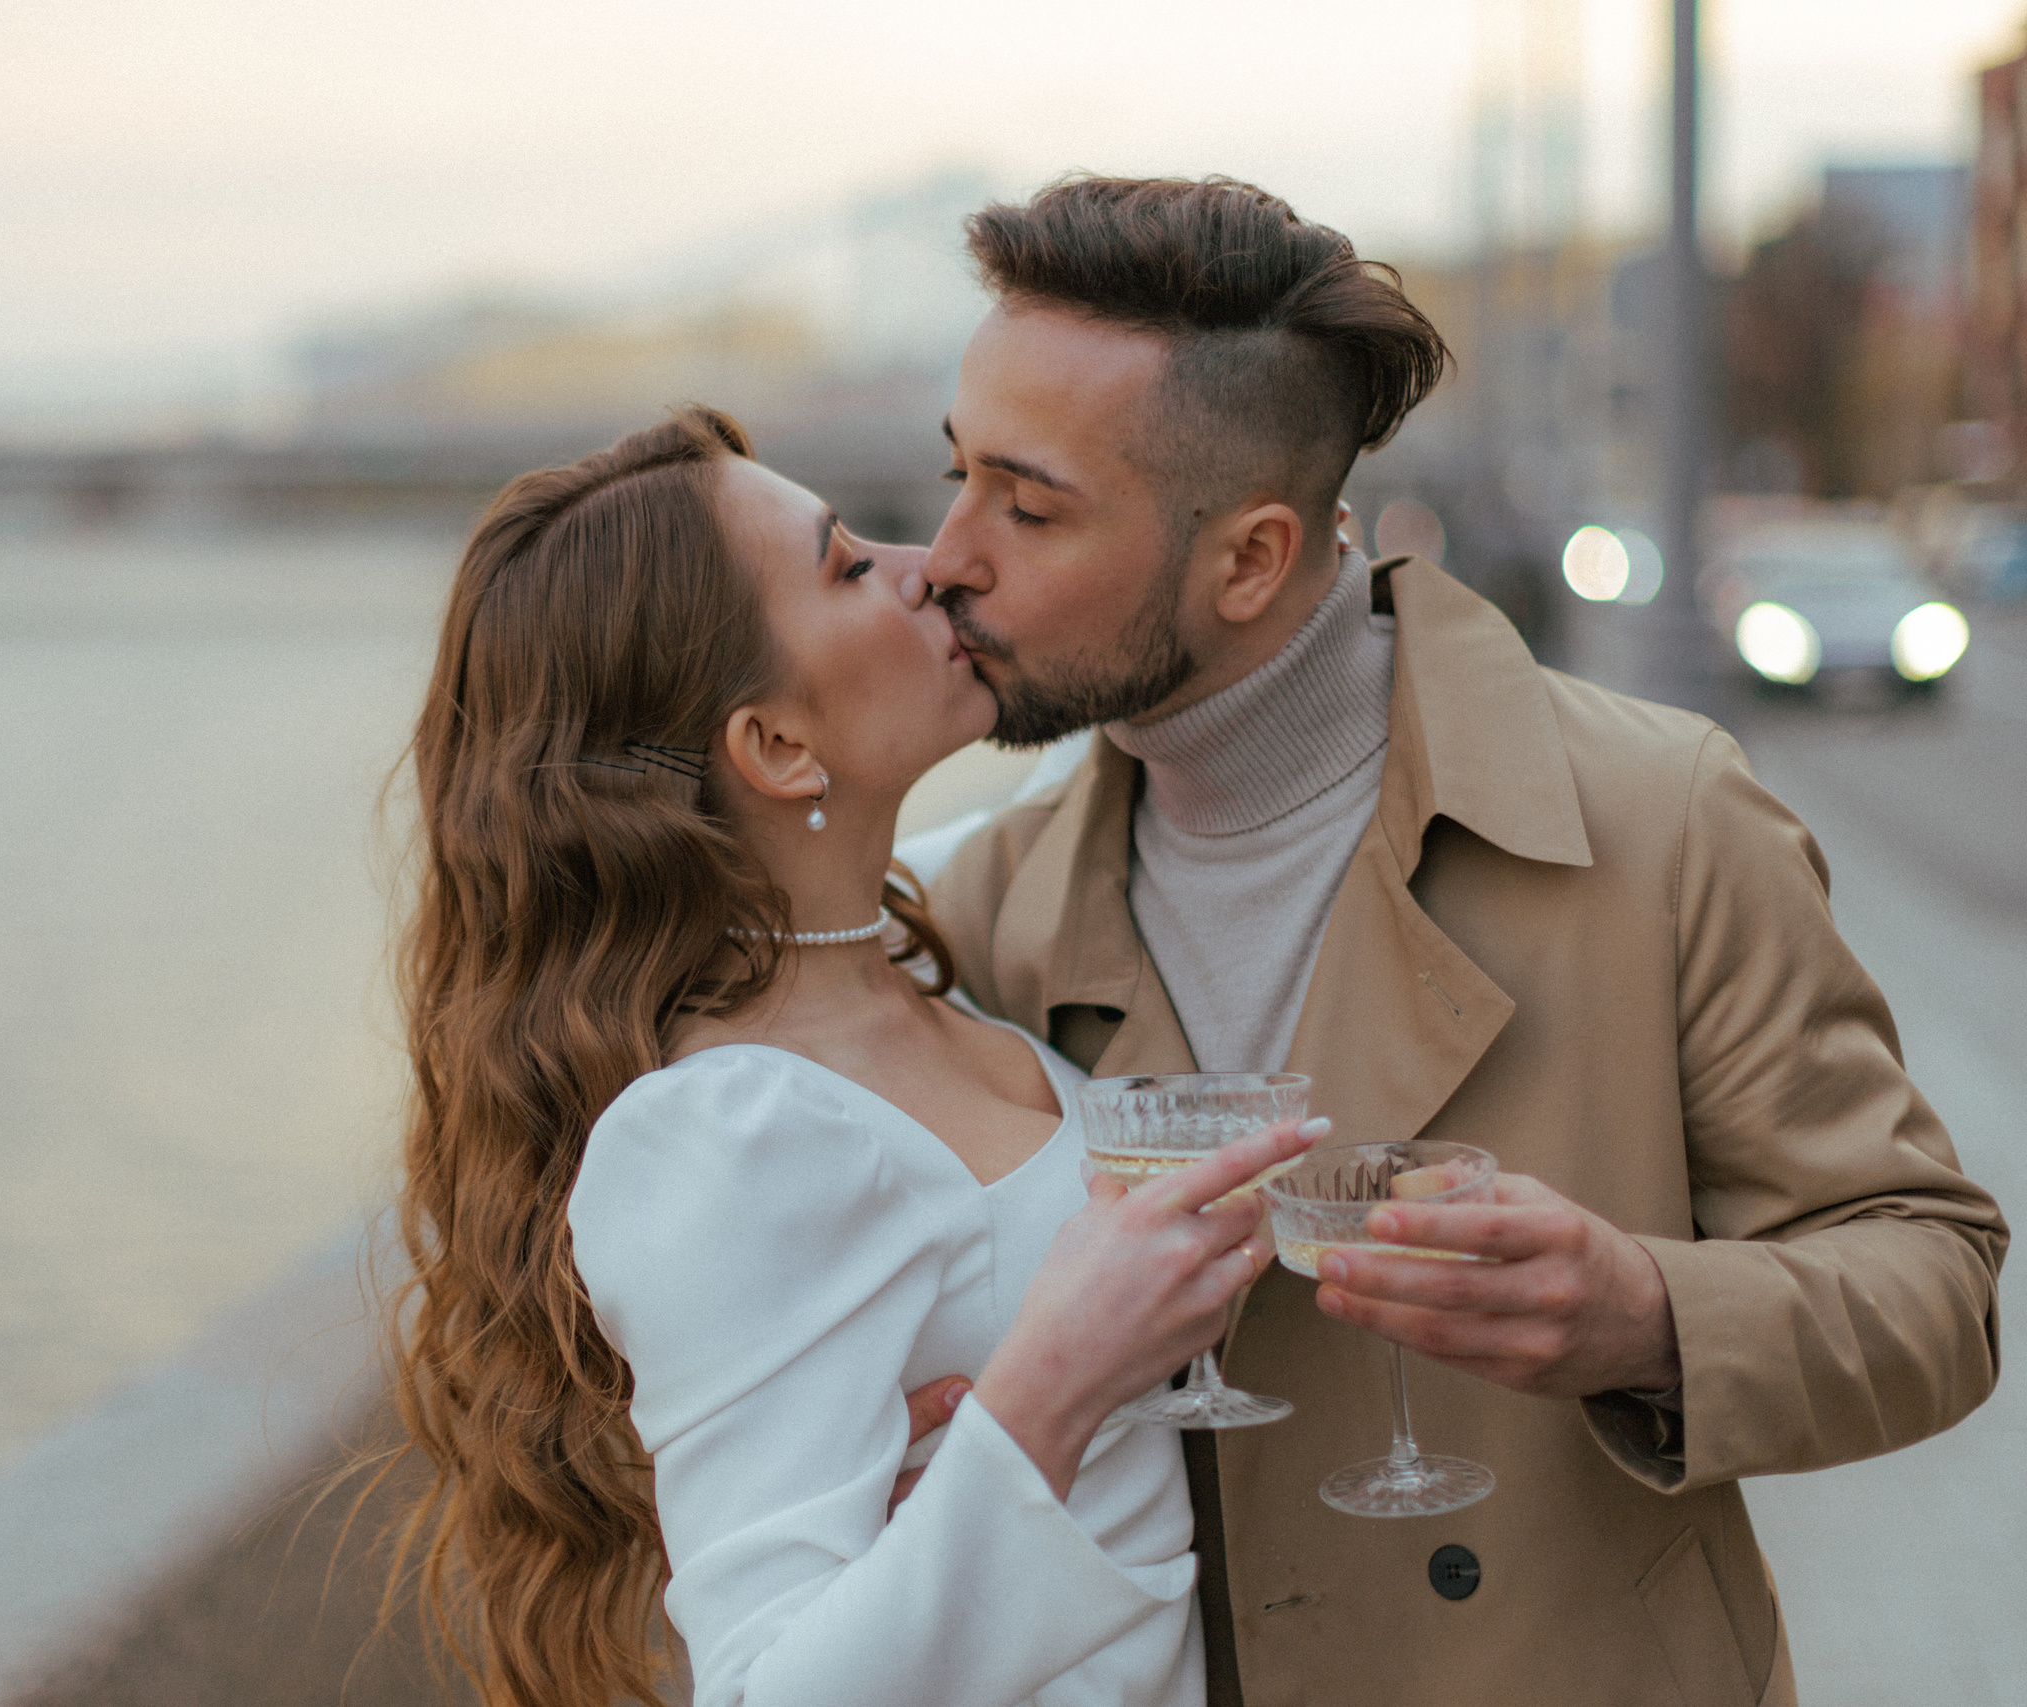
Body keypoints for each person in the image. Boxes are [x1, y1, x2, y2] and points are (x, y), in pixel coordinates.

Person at [916, 175, 2008, 1707]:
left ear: (1250, 558)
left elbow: (1937, 1290)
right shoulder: (991, 908)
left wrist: (1646, 1317)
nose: (943, 556)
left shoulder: (1658, 817)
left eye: (1026, 507)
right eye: (955, 477)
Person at [383, 405, 1318, 1707]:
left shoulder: (919, 980)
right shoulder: (723, 1138)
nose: (922, 561)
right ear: (775, 746)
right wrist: (1051, 1384)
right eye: (844, 564)